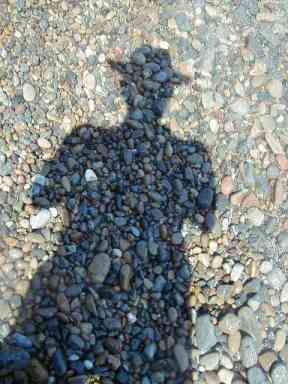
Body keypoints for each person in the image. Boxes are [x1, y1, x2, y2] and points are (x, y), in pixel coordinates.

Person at [0, 46, 215, 384]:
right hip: (168, 275)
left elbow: (40, 197)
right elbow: (204, 221)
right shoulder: (194, 154)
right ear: (169, 91)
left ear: (125, 88)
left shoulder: (86, 138)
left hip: (71, 271)